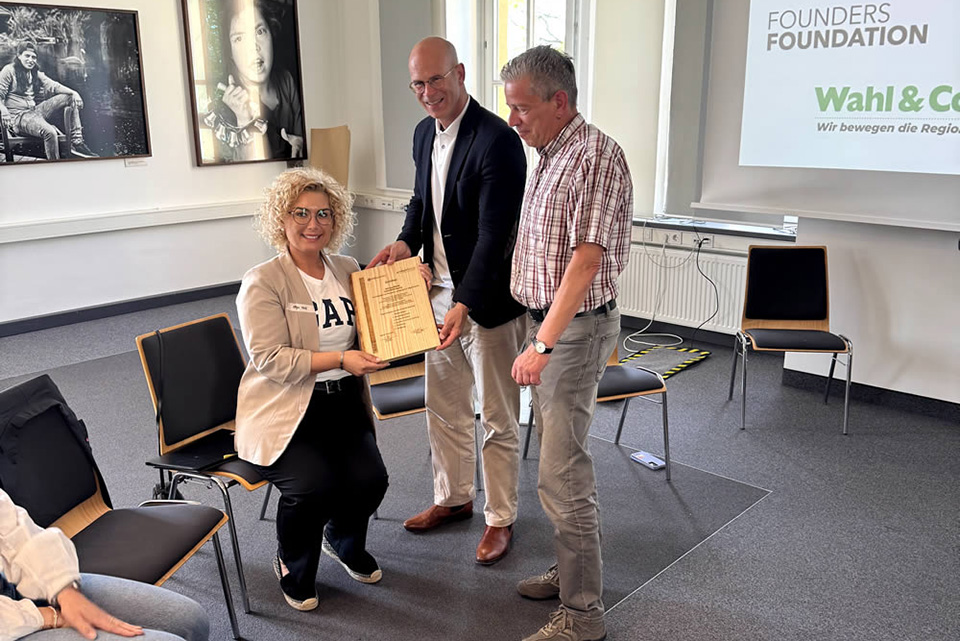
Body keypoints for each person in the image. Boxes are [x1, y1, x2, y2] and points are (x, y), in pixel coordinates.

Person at [367, 37, 527, 565]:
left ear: (459, 73)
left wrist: (465, 299)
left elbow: (493, 233)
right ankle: (453, 499)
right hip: (432, 292)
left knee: (498, 416)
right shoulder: (422, 133)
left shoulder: (497, 140)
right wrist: (404, 243)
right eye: (418, 83)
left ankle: (500, 518)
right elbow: (422, 202)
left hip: (487, 304)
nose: (427, 92)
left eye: (436, 79)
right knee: (444, 405)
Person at [502, 46, 633, 641]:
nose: (513, 120)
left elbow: (584, 264)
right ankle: (571, 567)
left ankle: (583, 615)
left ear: (559, 101)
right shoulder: (550, 153)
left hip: (574, 334)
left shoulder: (594, 156)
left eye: (522, 108)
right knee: (561, 464)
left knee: (561, 473)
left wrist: (543, 346)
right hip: (551, 326)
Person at [235, 167, 391, 611]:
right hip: (285, 407)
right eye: (300, 213)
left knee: (370, 481)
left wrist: (405, 298)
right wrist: (340, 359)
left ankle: (340, 540)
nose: (313, 224)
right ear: (280, 219)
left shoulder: (346, 268)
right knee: (313, 487)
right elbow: (270, 358)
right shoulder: (263, 280)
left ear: (335, 220)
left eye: (324, 214)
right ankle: (292, 563)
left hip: (343, 402)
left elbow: (375, 331)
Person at [0, 488, 208, 641]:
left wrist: (63, 589)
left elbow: (12, 527)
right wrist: (45, 617)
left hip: (11, 587)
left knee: (190, 619)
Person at [201, 0, 305, 161]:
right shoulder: (223, 112)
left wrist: (300, 145)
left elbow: (301, 138)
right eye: (239, 39)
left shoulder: (286, 80)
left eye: (260, 31)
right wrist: (243, 118)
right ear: (229, 51)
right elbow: (240, 174)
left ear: (272, 32)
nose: (253, 47)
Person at [0, 41, 98, 160]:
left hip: (35, 111)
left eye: (34, 57)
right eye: (27, 56)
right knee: (50, 133)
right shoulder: (9, 70)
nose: (31, 60)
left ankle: (77, 142)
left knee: (69, 97)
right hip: (18, 118)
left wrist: (74, 92)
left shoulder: (35, 72)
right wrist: (3, 110)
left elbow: (54, 85)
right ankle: (54, 163)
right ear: (19, 55)